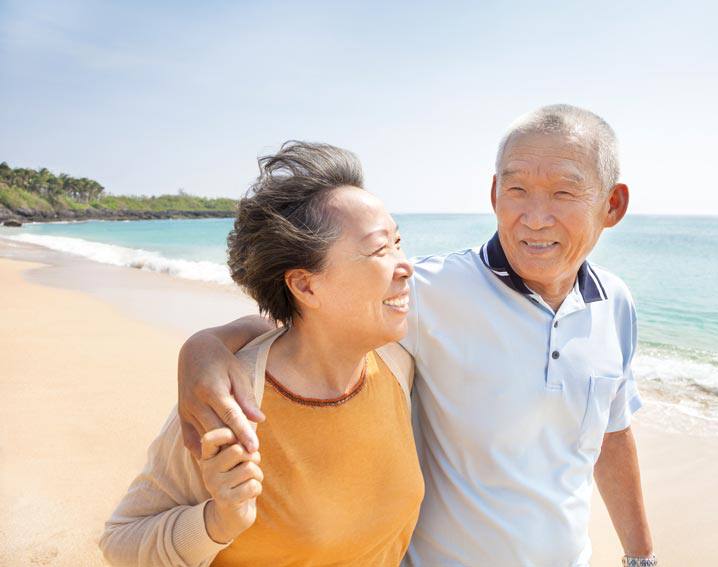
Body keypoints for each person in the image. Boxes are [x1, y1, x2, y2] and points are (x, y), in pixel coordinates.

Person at [177, 104, 656, 566]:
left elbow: (613, 433)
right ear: (494, 194)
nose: (533, 217)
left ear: (612, 205)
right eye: (517, 190)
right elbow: (316, 319)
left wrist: (640, 557)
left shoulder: (615, 303)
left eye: (563, 194)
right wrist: (208, 346)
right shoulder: (429, 289)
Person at [99, 142, 424, 566]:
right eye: (381, 249)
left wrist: (213, 338)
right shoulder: (231, 400)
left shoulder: (398, 364)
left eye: (398, 242)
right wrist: (217, 523)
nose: (406, 265)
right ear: (306, 286)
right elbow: (121, 543)